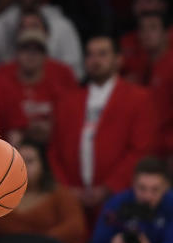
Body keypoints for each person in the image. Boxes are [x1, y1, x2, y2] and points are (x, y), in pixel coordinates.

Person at [48, 35, 157, 225]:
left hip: (120, 198)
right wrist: (66, 190)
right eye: (90, 55)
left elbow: (141, 149)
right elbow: (54, 150)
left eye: (102, 54)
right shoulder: (67, 101)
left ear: (118, 60)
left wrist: (109, 187)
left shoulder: (139, 99)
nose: (95, 60)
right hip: (73, 200)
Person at [0, 140, 87, 243]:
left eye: (30, 161)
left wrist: (41, 242)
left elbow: (75, 227)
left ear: (43, 164)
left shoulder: (60, 195)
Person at [0, 19, 78, 144]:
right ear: (17, 54)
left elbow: (70, 119)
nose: (31, 55)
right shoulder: (3, 78)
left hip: (50, 144)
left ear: (45, 56)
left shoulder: (59, 79)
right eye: (26, 49)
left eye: (37, 50)